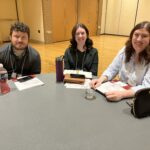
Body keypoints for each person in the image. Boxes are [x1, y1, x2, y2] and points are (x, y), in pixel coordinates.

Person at [91, 21, 150, 101]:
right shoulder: (125, 50)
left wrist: (123, 94)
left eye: (144, 36)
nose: (139, 39)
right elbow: (112, 69)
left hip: (138, 98)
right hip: (120, 92)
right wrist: (101, 79)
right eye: (136, 35)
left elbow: (146, 87)